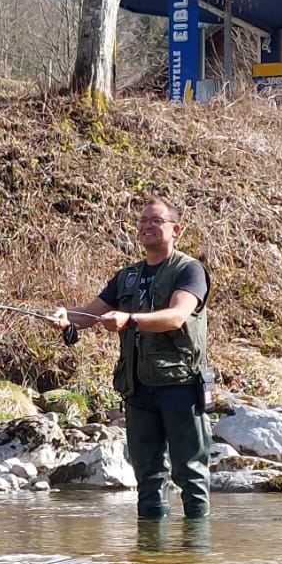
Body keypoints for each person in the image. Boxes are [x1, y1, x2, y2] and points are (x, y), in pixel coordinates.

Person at [51, 200, 212, 519]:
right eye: (143, 221)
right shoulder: (127, 277)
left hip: (180, 386)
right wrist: (66, 317)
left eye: (156, 221)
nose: (147, 226)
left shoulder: (189, 270)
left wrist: (130, 319)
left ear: (175, 230)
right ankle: (149, 561)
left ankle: (195, 560)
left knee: (190, 476)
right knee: (148, 478)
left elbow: (177, 316)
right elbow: (92, 313)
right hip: (137, 388)